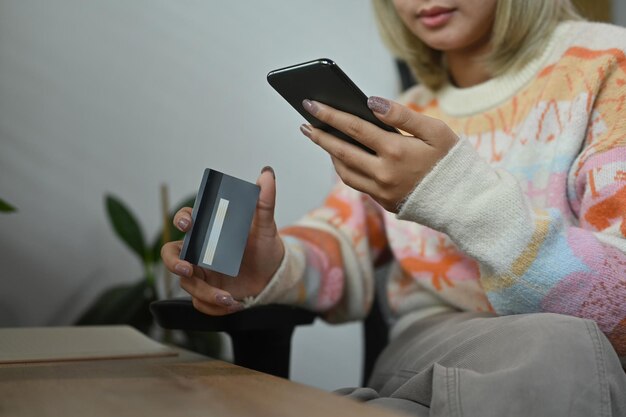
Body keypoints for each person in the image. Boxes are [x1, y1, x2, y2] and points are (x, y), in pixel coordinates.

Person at [162, 0, 626, 415]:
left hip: (570, 352)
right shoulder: (406, 110)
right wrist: (271, 267)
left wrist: (453, 191)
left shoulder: (608, 64)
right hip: (435, 344)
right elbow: (344, 239)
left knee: (559, 346)